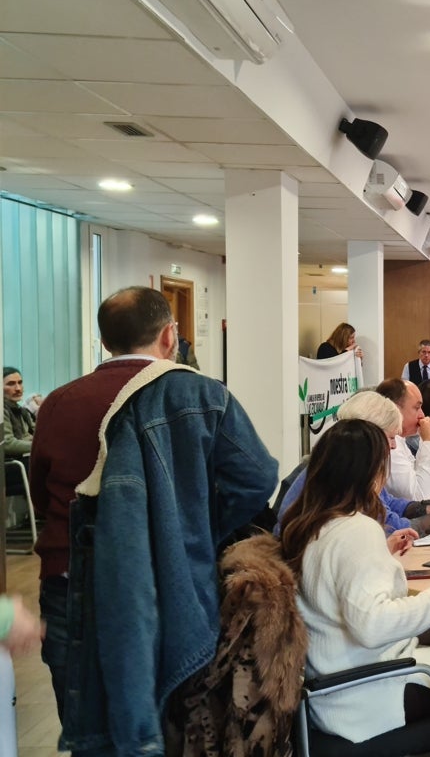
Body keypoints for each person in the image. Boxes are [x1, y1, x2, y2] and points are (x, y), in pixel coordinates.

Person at [48, 286, 277, 755]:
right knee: (168, 726)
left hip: (66, 587)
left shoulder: (57, 402)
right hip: (170, 584)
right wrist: (200, 528)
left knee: (94, 731)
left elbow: (45, 494)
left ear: (105, 341)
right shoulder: (200, 394)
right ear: (170, 336)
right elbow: (257, 478)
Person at [279, 419, 430, 755]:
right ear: (370, 472)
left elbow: (335, 582)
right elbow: (372, 625)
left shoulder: (308, 523)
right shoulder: (356, 530)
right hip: (365, 695)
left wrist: (383, 553)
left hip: (329, 690)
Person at [274, 390, 430, 537]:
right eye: (391, 437)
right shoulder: (346, 472)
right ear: (368, 434)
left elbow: (387, 503)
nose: (393, 446)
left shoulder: (345, 460)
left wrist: (426, 507)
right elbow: (386, 526)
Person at [377, 378, 430, 500]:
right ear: (395, 409)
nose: (422, 415)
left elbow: (417, 480)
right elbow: (418, 497)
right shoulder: (389, 445)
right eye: (416, 408)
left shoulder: (399, 439)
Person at [3, 366, 36, 457]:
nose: (18, 388)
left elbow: (38, 431)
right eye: (11, 384)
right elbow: (7, 444)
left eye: (20, 383)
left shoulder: (21, 410)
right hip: (14, 463)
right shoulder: (2, 411)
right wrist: (40, 446)